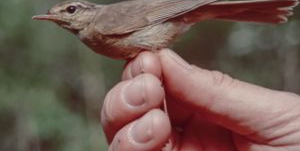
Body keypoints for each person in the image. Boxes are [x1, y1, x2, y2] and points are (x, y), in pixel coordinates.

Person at [101, 49, 300, 151]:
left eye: (72, 10)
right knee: (147, 84)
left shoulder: (101, 24)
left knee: (148, 76)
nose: (68, 16)